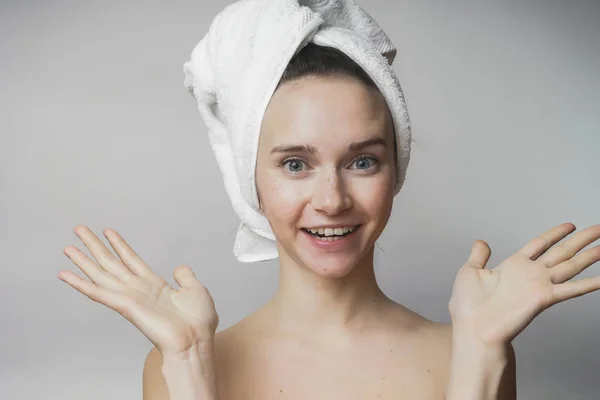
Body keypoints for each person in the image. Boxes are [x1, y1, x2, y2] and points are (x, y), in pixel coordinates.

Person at [57, 4, 600, 400]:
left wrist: (480, 354)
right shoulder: (182, 360)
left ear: (395, 169)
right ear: (252, 182)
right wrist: (189, 366)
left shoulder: (471, 350)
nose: (332, 199)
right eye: (295, 164)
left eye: (362, 161)